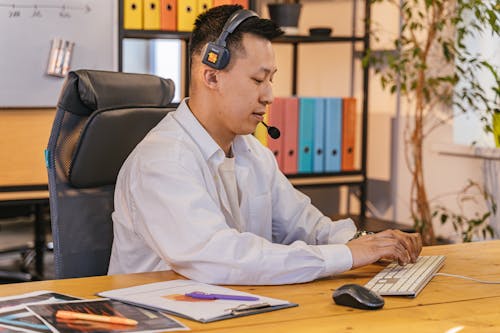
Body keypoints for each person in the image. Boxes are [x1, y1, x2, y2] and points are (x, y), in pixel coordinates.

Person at [108, 5, 422, 284]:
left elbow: (304, 224)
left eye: (271, 79)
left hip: (228, 310)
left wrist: (367, 242)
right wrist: (347, 255)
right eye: (258, 80)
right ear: (212, 77)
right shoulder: (162, 162)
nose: (269, 95)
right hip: (159, 317)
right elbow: (223, 258)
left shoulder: (251, 151)